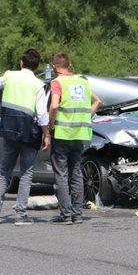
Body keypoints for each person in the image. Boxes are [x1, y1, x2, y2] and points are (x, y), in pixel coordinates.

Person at [0, 49, 50, 226]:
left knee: (5, 173)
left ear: (21, 63)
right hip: (29, 133)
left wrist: (7, 74)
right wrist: (46, 134)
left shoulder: (10, 77)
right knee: (26, 173)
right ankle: (21, 215)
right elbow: (42, 114)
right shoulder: (38, 84)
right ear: (37, 66)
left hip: (9, 130)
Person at [48, 53, 100, 225]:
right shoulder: (83, 82)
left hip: (62, 133)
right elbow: (97, 101)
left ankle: (66, 214)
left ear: (54, 66)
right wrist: (86, 117)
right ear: (69, 64)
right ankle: (77, 214)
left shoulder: (57, 82)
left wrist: (51, 124)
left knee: (61, 174)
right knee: (76, 172)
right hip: (80, 134)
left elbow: (54, 105)